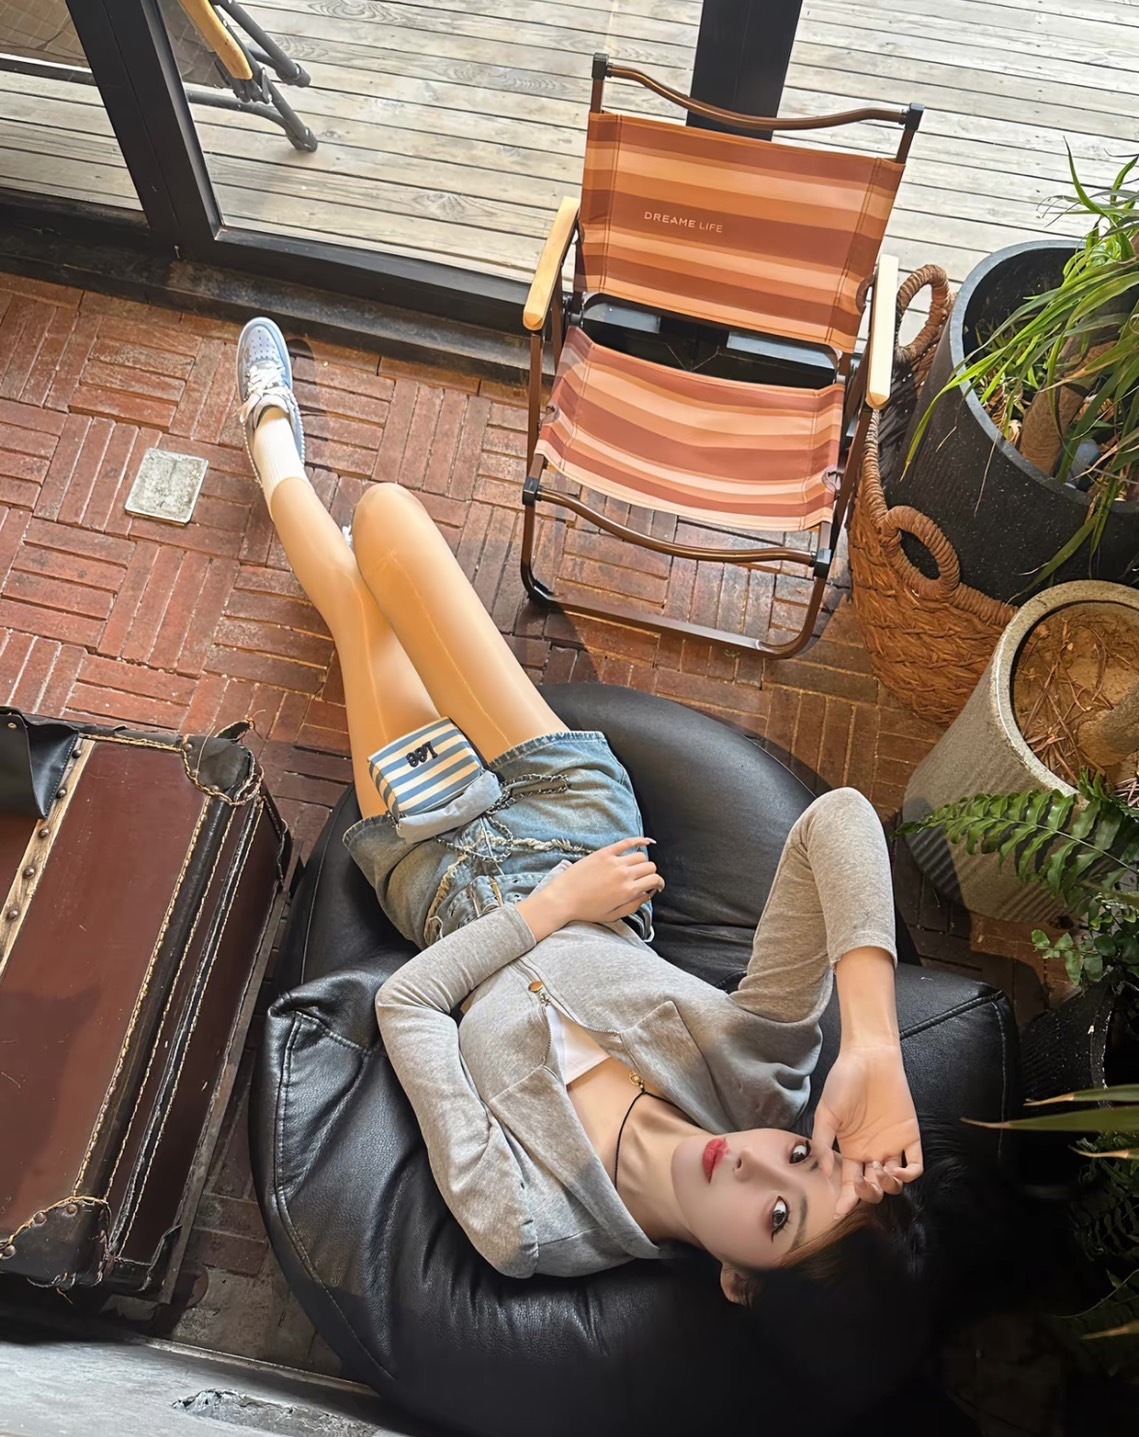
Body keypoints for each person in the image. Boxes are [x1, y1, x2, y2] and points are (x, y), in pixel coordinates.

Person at [235, 316, 924, 1300]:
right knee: (386, 517)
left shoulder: (527, 1223)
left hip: (450, 877)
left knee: (360, 615)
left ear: (738, 1278)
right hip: (574, 820)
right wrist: (870, 1044)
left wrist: (551, 909)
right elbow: (838, 821)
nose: (756, 1164)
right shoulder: (759, 1078)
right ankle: (336, 545)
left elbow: (407, 1005)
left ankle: (270, 444)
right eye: (802, 1159)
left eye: (780, 1216)